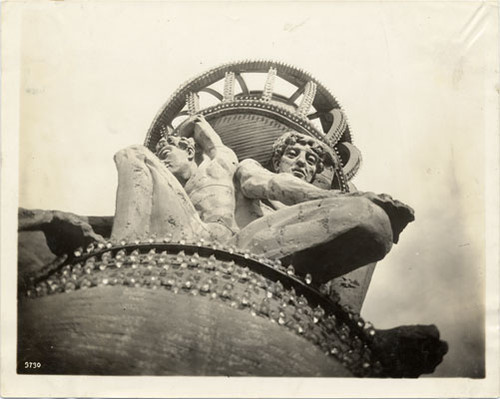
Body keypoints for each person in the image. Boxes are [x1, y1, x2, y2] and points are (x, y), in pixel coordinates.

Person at [231, 131, 414, 283]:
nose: (302, 162)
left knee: (378, 226)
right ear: (277, 162)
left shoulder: (316, 210)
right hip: (246, 246)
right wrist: (349, 197)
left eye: (310, 160)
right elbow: (267, 183)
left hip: (296, 253)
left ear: (313, 174)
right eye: (292, 154)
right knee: (368, 215)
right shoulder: (251, 167)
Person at [111, 115, 238, 242]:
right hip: (188, 232)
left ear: (189, 152)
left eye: (165, 154)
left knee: (134, 152)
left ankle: (125, 244)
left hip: (212, 234)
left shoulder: (216, 168)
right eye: (159, 159)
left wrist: (183, 131)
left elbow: (203, 130)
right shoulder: (174, 194)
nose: (162, 163)